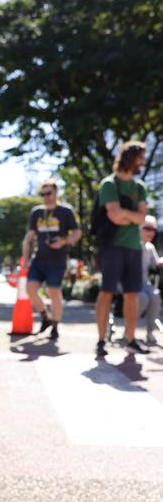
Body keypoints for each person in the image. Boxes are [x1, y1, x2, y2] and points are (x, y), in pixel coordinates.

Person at [95, 140, 149, 357]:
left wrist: (126, 215)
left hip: (134, 248)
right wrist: (130, 216)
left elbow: (142, 217)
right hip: (112, 247)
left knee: (131, 295)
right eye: (140, 157)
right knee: (106, 292)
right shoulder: (109, 183)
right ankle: (100, 340)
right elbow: (114, 216)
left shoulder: (139, 187)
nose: (143, 162)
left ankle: (131, 339)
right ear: (130, 158)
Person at [21, 178, 81, 341]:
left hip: (57, 260)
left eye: (49, 193)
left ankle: (55, 326)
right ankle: (45, 317)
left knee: (54, 292)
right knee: (30, 289)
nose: (46, 196)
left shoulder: (65, 211)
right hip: (39, 259)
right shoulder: (37, 212)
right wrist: (25, 258)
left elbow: (77, 233)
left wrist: (63, 241)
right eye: (43, 194)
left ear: (56, 192)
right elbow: (28, 238)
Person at [138, 215, 163, 346]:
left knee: (155, 296)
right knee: (142, 298)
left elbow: (157, 264)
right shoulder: (133, 245)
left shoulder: (150, 247)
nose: (151, 232)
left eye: (153, 229)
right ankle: (128, 330)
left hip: (143, 282)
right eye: (147, 228)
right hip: (128, 283)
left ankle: (150, 333)